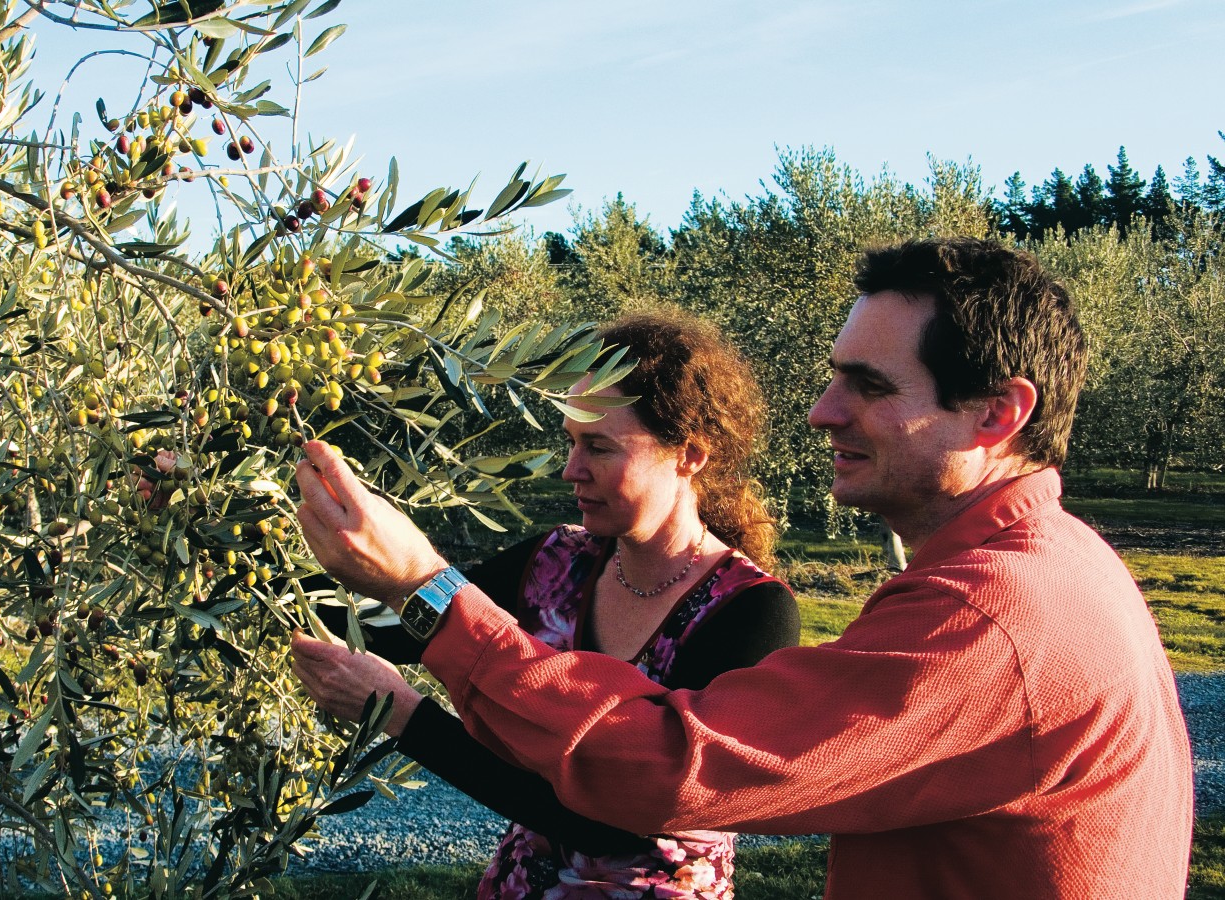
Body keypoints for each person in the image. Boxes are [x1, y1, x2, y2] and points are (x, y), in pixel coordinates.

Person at [290, 237, 1195, 900]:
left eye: (869, 386)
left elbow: (670, 774)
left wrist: (429, 594)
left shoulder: (993, 614)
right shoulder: (1052, 567)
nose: (821, 412)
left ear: (998, 413)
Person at [293, 311, 800, 899]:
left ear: (688, 455)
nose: (570, 469)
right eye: (570, 441)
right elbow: (387, 627)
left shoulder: (751, 613)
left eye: (598, 446)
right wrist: (229, 532)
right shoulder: (555, 562)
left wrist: (405, 716)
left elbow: (610, 822)